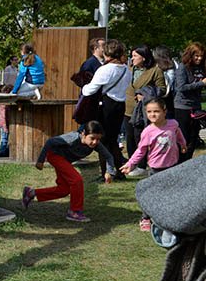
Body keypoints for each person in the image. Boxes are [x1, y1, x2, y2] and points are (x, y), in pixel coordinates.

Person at [21, 120, 116, 223]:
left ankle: (30, 193)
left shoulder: (96, 144)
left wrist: (109, 172)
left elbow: (109, 156)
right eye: (92, 138)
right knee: (76, 179)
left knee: (64, 190)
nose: (95, 142)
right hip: (55, 156)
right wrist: (40, 160)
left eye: (98, 139)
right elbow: (50, 142)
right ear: (84, 134)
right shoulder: (73, 138)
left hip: (65, 160)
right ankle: (75, 212)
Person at [120, 97, 186, 230]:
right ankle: (145, 218)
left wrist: (182, 144)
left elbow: (178, 134)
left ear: (164, 111)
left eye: (156, 111)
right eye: (149, 112)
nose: (152, 115)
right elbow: (141, 150)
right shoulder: (148, 132)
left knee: (172, 192)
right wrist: (131, 163)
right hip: (156, 168)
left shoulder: (173, 124)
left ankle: (168, 216)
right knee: (152, 194)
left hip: (172, 166)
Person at [82, 39, 131, 178]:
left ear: (106, 53)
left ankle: (106, 173)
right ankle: (120, 173)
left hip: (107, 106)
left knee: (102, 141)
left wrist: (84, 86)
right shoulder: (126, 70)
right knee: (113, 140)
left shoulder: (104, 70)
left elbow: (89, 90)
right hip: (120, 105)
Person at [124, 45, 167, 176]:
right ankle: (132, 164)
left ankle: (142, 166)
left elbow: (162, 89)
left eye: (135, 56)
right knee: (129, 137)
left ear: (143, 57)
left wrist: (147, 94)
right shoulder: (129, 69)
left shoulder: (155, 71)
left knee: (140, 138)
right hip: (128, 109)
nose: (132, 58)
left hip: (143, 111)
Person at [173, 42, 206, 163]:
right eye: (196, 56)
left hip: (196, 106)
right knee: (183, 138)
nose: (199, 58)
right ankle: (179, 163)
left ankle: (188, 162)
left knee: (193, 138)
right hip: (182, 107)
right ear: (190, 55)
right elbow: (181, 87)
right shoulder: (183, 67)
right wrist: (201, 83)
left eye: (201, 56)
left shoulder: (201, 68)